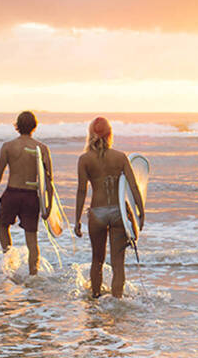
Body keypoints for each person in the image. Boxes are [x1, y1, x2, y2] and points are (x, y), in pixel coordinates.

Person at [74, 117, 144, 298]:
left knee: (97, 260)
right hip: (118, 212)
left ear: (90, 135)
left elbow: (82, 191)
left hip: (97, 213)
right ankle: (116, 302)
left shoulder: (84, 160)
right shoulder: (120, 157)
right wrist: (140, 211)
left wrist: (77, 220)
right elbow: (134, 186)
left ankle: (95, 300)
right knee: (117, 263)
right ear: (110, 134)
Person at [0, 111, 54, 277]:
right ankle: (33, 276)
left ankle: (10, 265)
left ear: (17, 126)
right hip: (31, 197)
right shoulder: (42, 148)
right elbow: (49, 181)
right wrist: (48, 207)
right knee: (32, 240)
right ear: (34, 127)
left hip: (12, 194)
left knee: (3, 227)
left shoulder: (8, 146)